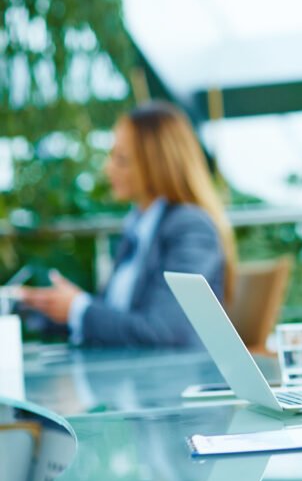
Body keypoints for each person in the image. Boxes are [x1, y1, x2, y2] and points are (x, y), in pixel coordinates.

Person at [21, 101, 236, 347]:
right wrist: (42, 307)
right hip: (131, 374)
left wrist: (78, 308)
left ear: (156, 165)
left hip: (170, 380)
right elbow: (118, 318)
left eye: (121, 159)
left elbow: (164, 330)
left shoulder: (189, 227)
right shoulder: (139, 226)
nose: (108, 168)